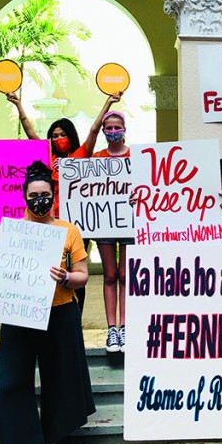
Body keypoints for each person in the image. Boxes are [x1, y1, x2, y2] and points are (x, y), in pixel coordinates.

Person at [0, 161, 95, 444]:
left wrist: (67, 276)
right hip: (19, 316)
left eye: (45, 195)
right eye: (33, 195)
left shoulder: (69, 230)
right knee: (9, 381)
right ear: (24, 197)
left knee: (56, 379)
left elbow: (82, 275)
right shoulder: (9, 230)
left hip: (60, 314)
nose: (39, 200)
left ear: (54, 197)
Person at [8, 90, 122, 311]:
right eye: (55, 135)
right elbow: (30, 132)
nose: (59, 139)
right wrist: (18, 105)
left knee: (76, 271)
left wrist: (108, 103)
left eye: (63, 134)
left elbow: (94, 130)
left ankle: (75, 315)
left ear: (70, 136)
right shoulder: (46, 158)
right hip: (50, 223)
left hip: (78, 225)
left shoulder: (81, 155)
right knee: (49, 269)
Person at [92, 109, 131, 353]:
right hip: (104, 221)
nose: (114, 131)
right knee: (109, 274)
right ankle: (112, 329)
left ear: (125, 129)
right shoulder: (96, 157)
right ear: (104, 131)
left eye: (118, 127)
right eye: (110, 128)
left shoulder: (137, 155)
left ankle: (126, 326)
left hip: (129, 221)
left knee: (126, 274)